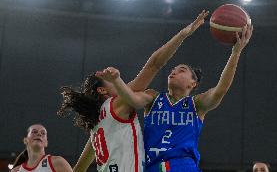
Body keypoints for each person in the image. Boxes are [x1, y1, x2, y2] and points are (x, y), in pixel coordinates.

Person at [58, 10, 209, 172]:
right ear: (102, 90)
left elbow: (79, 168)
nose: (122, 84)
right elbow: (154, 64)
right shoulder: (117, 104)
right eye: (108, 79)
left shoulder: (96, 129)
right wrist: (182, 35)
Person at [100, 24, 253, 172]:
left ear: (193, 83)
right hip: (151, 166)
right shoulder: (153, 97)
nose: (173, 72)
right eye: (172, 70)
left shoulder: (196, 104)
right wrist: (117, 80)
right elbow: (133, 99)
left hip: (182, 166)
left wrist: (235, 53)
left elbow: (221, 89)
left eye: (181, 70)